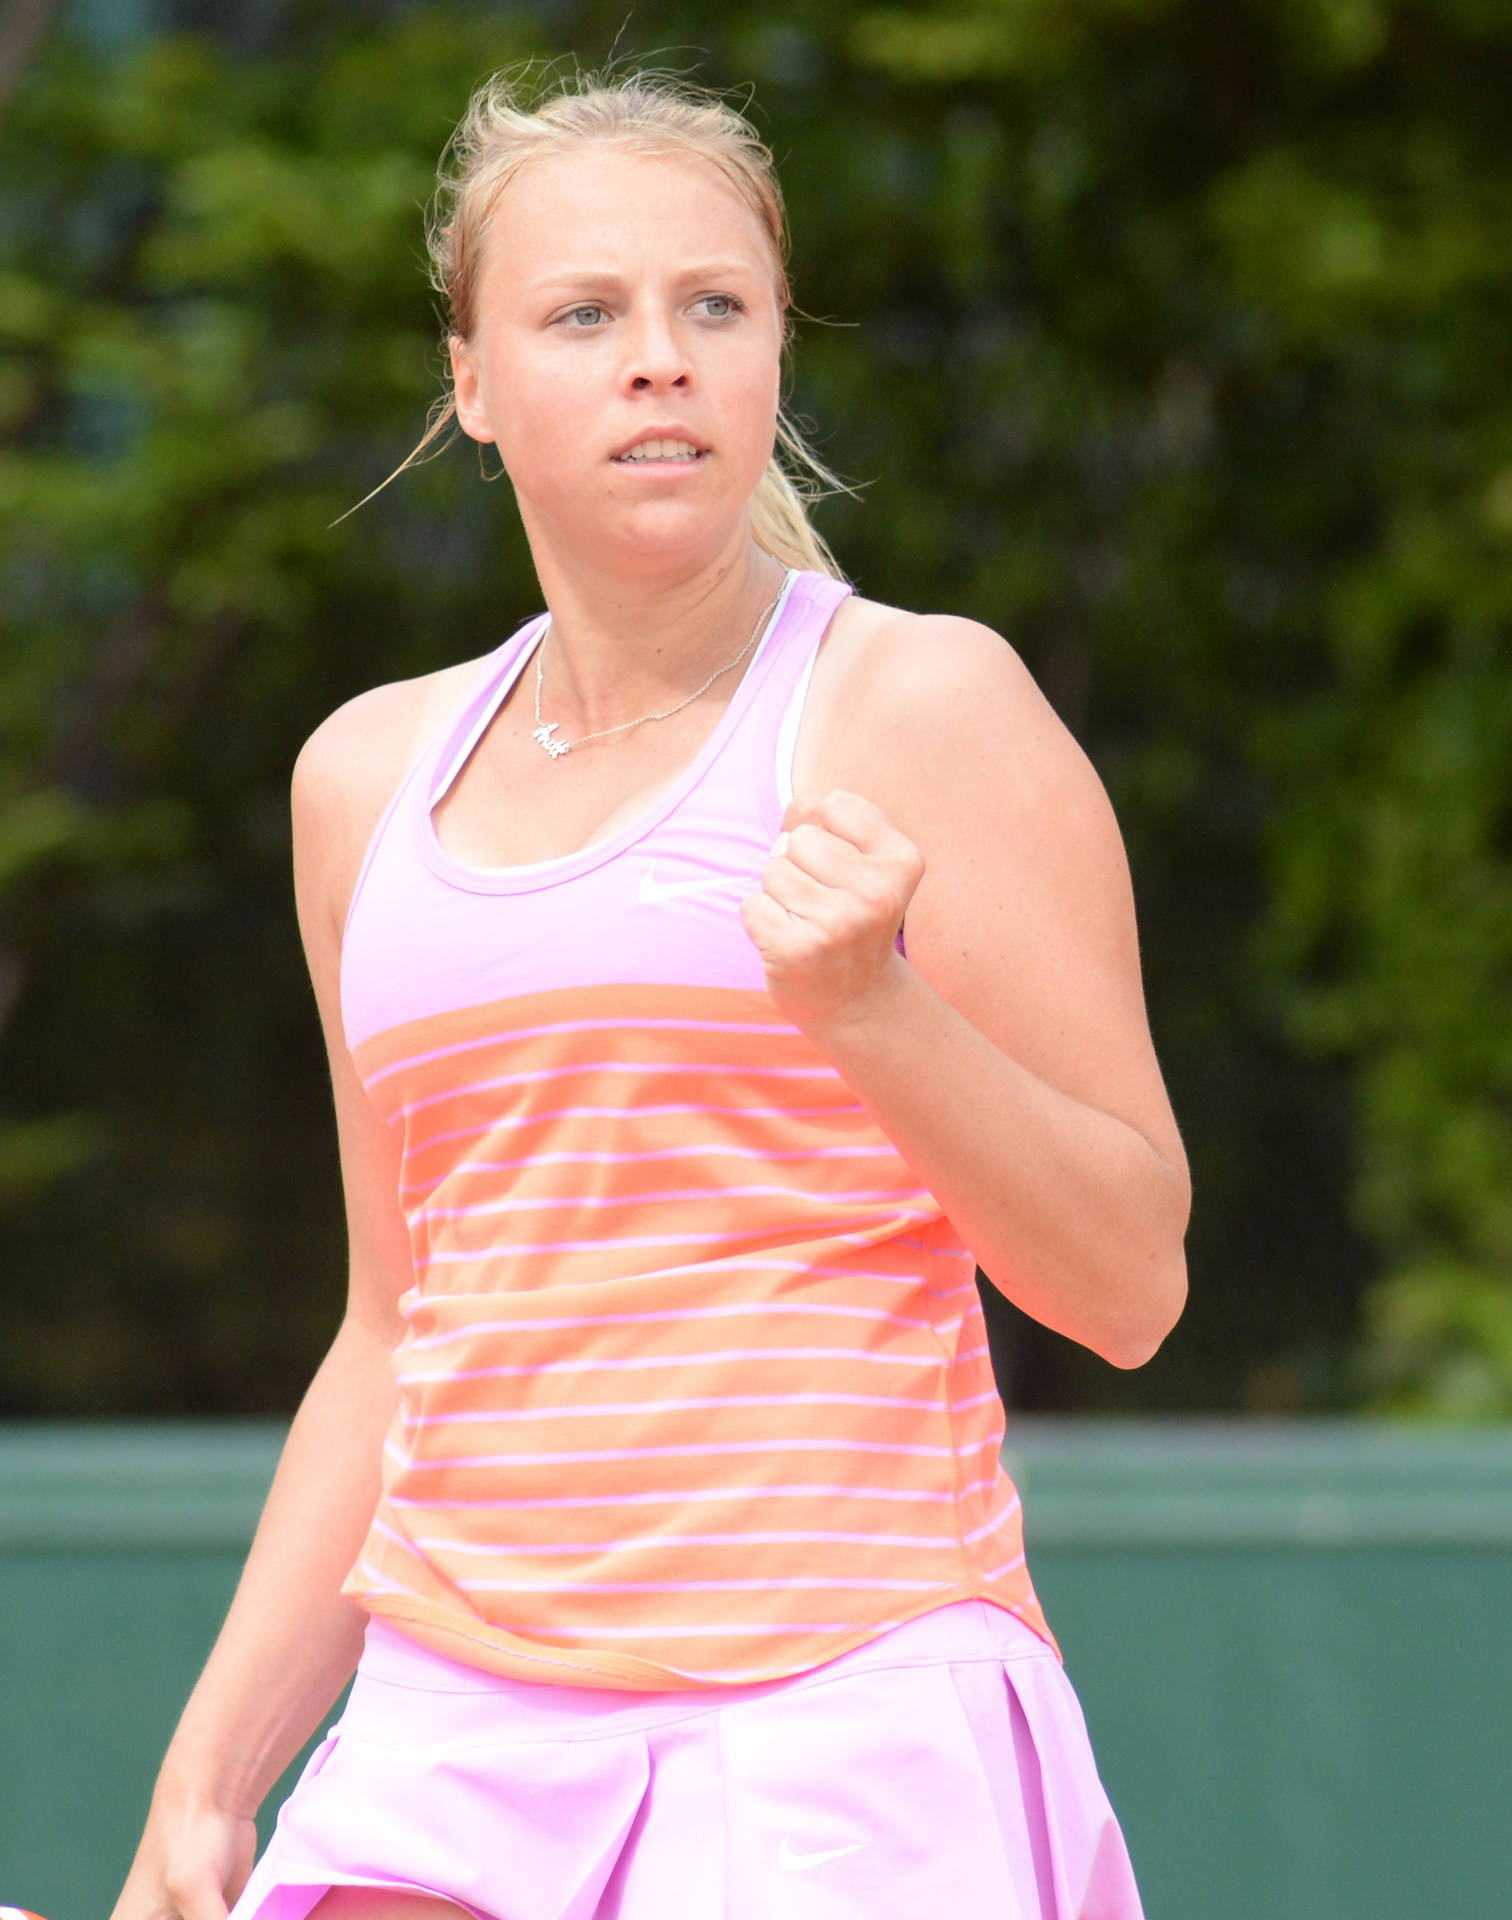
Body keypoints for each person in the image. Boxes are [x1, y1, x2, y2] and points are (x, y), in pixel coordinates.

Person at [110, 61, 1189, 1920]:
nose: (660, 358)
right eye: (584, 313)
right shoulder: (363, 779)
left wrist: (877, 1015)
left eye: (715, 306)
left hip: (846, 1744)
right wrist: (207, 1779)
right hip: (442, 1752)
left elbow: (1131, 1284)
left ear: (776, 354)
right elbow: (399, 1329)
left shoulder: (925, 705)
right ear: (468, 382)